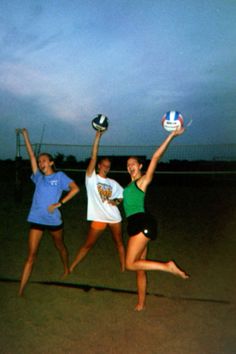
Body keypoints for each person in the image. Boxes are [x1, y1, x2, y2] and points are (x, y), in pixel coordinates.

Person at [123, 127, 189, 311]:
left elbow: (155, 157)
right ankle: (141, 303)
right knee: (139, 267)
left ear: (140, 166)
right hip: (137, 224)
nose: (130, 166)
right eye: (128, 164)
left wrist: (171, 135)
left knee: (129, 264)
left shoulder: (142, 180)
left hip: (141, 223)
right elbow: (127, 202)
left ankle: (167, 266)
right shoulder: (128, 185)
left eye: (133, 163)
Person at [18, 128, 79, 296]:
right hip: (37, 219)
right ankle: (21, 289)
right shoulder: (38, 177)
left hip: (53, 220)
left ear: (51, 162)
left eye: (44, 160)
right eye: (39, 161)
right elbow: (31, 156)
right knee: (31, 256)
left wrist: (60, 203)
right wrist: (26, 136)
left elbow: (75, 189)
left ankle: (66, 268)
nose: (40, 163)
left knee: (60, 246)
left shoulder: (59, 177)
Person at [70, 130, 125, 273]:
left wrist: (117, 202)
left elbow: (122, 195)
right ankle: (72, 266)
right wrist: (97, 138)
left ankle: (124, 267)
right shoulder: (91, 178)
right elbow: (93, 158)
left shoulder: (113, 183)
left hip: (114, 217)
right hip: (99, 218)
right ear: (99, 166)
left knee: (119, 243)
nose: (106, 167)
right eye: (104, 165)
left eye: (108, 166)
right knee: (88, 244)